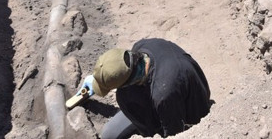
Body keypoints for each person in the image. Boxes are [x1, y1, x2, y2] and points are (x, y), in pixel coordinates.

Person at [76, 38, 212, 139]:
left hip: (191, 111)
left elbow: (176, 134)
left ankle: (151, 132)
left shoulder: (163, 94)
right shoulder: (141, 47)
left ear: (128, 81)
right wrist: (100, 79)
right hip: (172, 93)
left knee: (124, 98)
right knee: (109, 134)